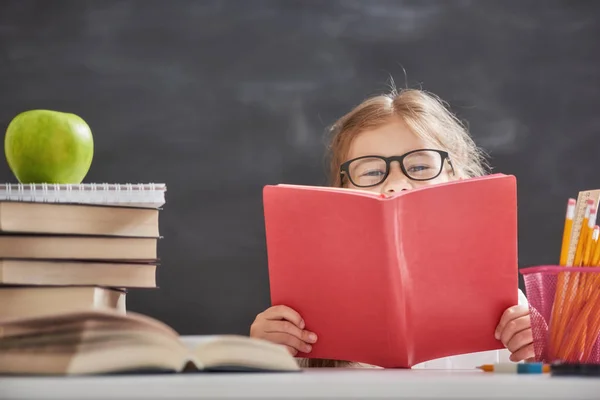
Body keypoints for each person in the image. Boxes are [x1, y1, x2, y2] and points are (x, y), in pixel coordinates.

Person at [250, 87, 533, 368]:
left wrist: (543, 349)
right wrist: (264, 355)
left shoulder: (508, 307)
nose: (397, 183)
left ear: (456, 176)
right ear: (343, 189)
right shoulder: (307, 307)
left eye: (420, 167)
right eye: (372, 172)